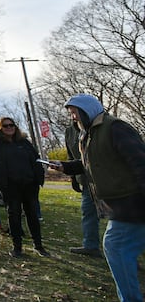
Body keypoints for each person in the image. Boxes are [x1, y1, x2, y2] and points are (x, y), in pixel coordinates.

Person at [54, 94, 145, 302]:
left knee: (115, 246)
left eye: (75, 113)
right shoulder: (88, 134)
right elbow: (92, 162)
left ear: (86, 111)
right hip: (118, 204)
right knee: (121, 248)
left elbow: (140, 163)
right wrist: (65, 167)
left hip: (132, 202)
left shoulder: (115, 128)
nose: (73, 118)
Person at [0, 116, 48, 258]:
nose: (9, 128)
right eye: (6, 126)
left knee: (32, 214)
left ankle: (38, 245)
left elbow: (35, 158)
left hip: (29, 184)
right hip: (10, 185)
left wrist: (38, 177)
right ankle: (17, 247)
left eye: (11, 125)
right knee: (14, 214)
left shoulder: (24, 142)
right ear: (0, 128)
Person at [64, 106, 102, 257]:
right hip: (86, 181)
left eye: (76, 112)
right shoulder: (70, 131)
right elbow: (70, 154)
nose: (73, 116)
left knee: (119, 218)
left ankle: (129, 254)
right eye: (71, 113)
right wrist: (73, 177)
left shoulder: (99, 128)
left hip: (106, 180)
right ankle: (91, 246)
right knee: (88, 212)